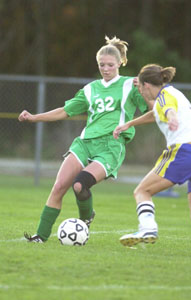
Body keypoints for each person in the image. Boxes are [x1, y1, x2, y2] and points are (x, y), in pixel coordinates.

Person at [18, 36, 151, 243]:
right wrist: (35, 117)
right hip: (85, 143)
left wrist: (146, 90)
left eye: (110, 65)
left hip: (110, 146)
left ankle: (85, 219)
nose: (105, 69)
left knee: (80, 186)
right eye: (101, 65)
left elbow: (152, 109)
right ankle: (40, 237)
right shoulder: (90, 89)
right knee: (59, 186)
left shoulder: (130, 85)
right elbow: (65, 111)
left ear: (119, 64)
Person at [113, 64, 191, 247]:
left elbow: (167, 109)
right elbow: (157, 113)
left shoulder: (164, 98)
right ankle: (147, 228)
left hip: (186, 151)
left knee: (142, 191)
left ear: (147, 86)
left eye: (140, 88)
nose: (141, 93)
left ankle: (147, 228)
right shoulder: (172, 93)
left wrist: (172, 117)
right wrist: (130, 124)